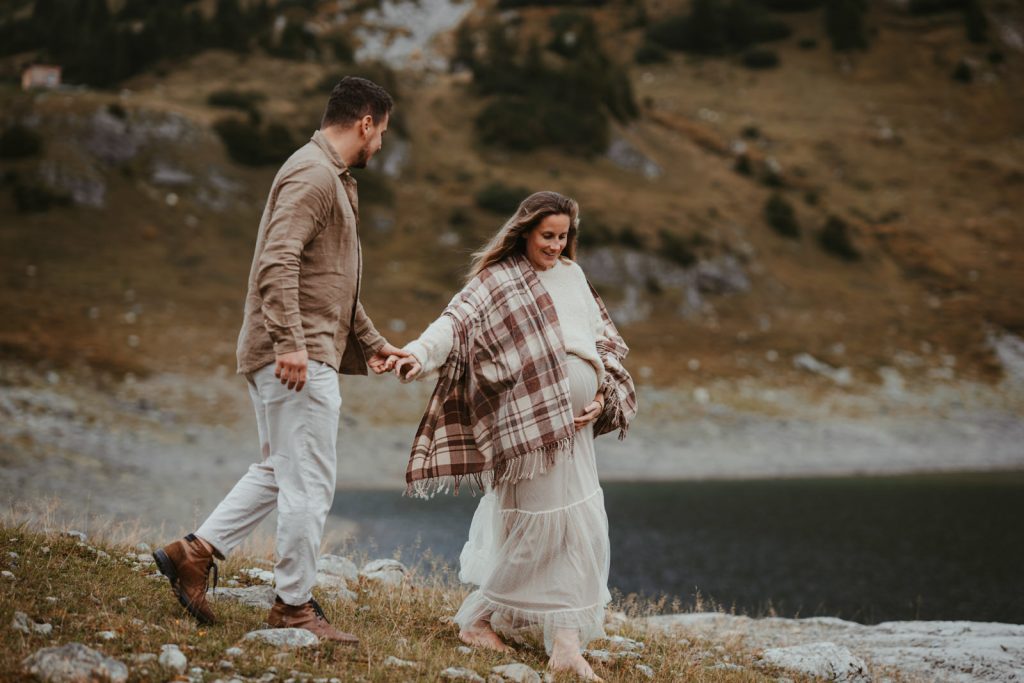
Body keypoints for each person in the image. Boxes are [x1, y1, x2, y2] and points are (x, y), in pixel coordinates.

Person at [154, 77, 408, 644]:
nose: (382, 146)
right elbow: (277, 262)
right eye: (383, 133)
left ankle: (194, 553)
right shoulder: (314, 175)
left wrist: (370, 342)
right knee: (310, 485)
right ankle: (293, 606)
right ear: (365, 123)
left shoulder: (326, 176)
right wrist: (292, 342)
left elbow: (330, 283)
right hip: (295, 358)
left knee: (280, 471)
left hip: (296, 350)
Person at [390, 191, 637, 680]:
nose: (556, 245)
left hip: (576, 426)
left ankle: (564, 643)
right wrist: (416, 355)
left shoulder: (573, 276)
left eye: (564, 236)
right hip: (528, 425)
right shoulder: (498, 281)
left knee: (577, 523)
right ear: (524, 230)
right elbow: (454, 324)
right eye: (548, 235)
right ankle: (478, 620)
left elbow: (604, 342)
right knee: (540, 526)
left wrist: (602, 394)